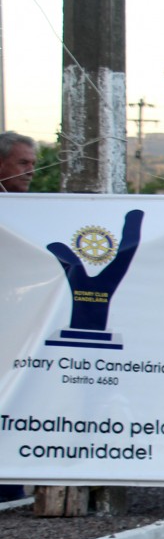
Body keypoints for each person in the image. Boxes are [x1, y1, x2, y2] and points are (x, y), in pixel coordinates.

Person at [0, 132, 38, 500]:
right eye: (22, 163)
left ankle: (10, 491)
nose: (30, 171)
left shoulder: (27, 212)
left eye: (33, 164)